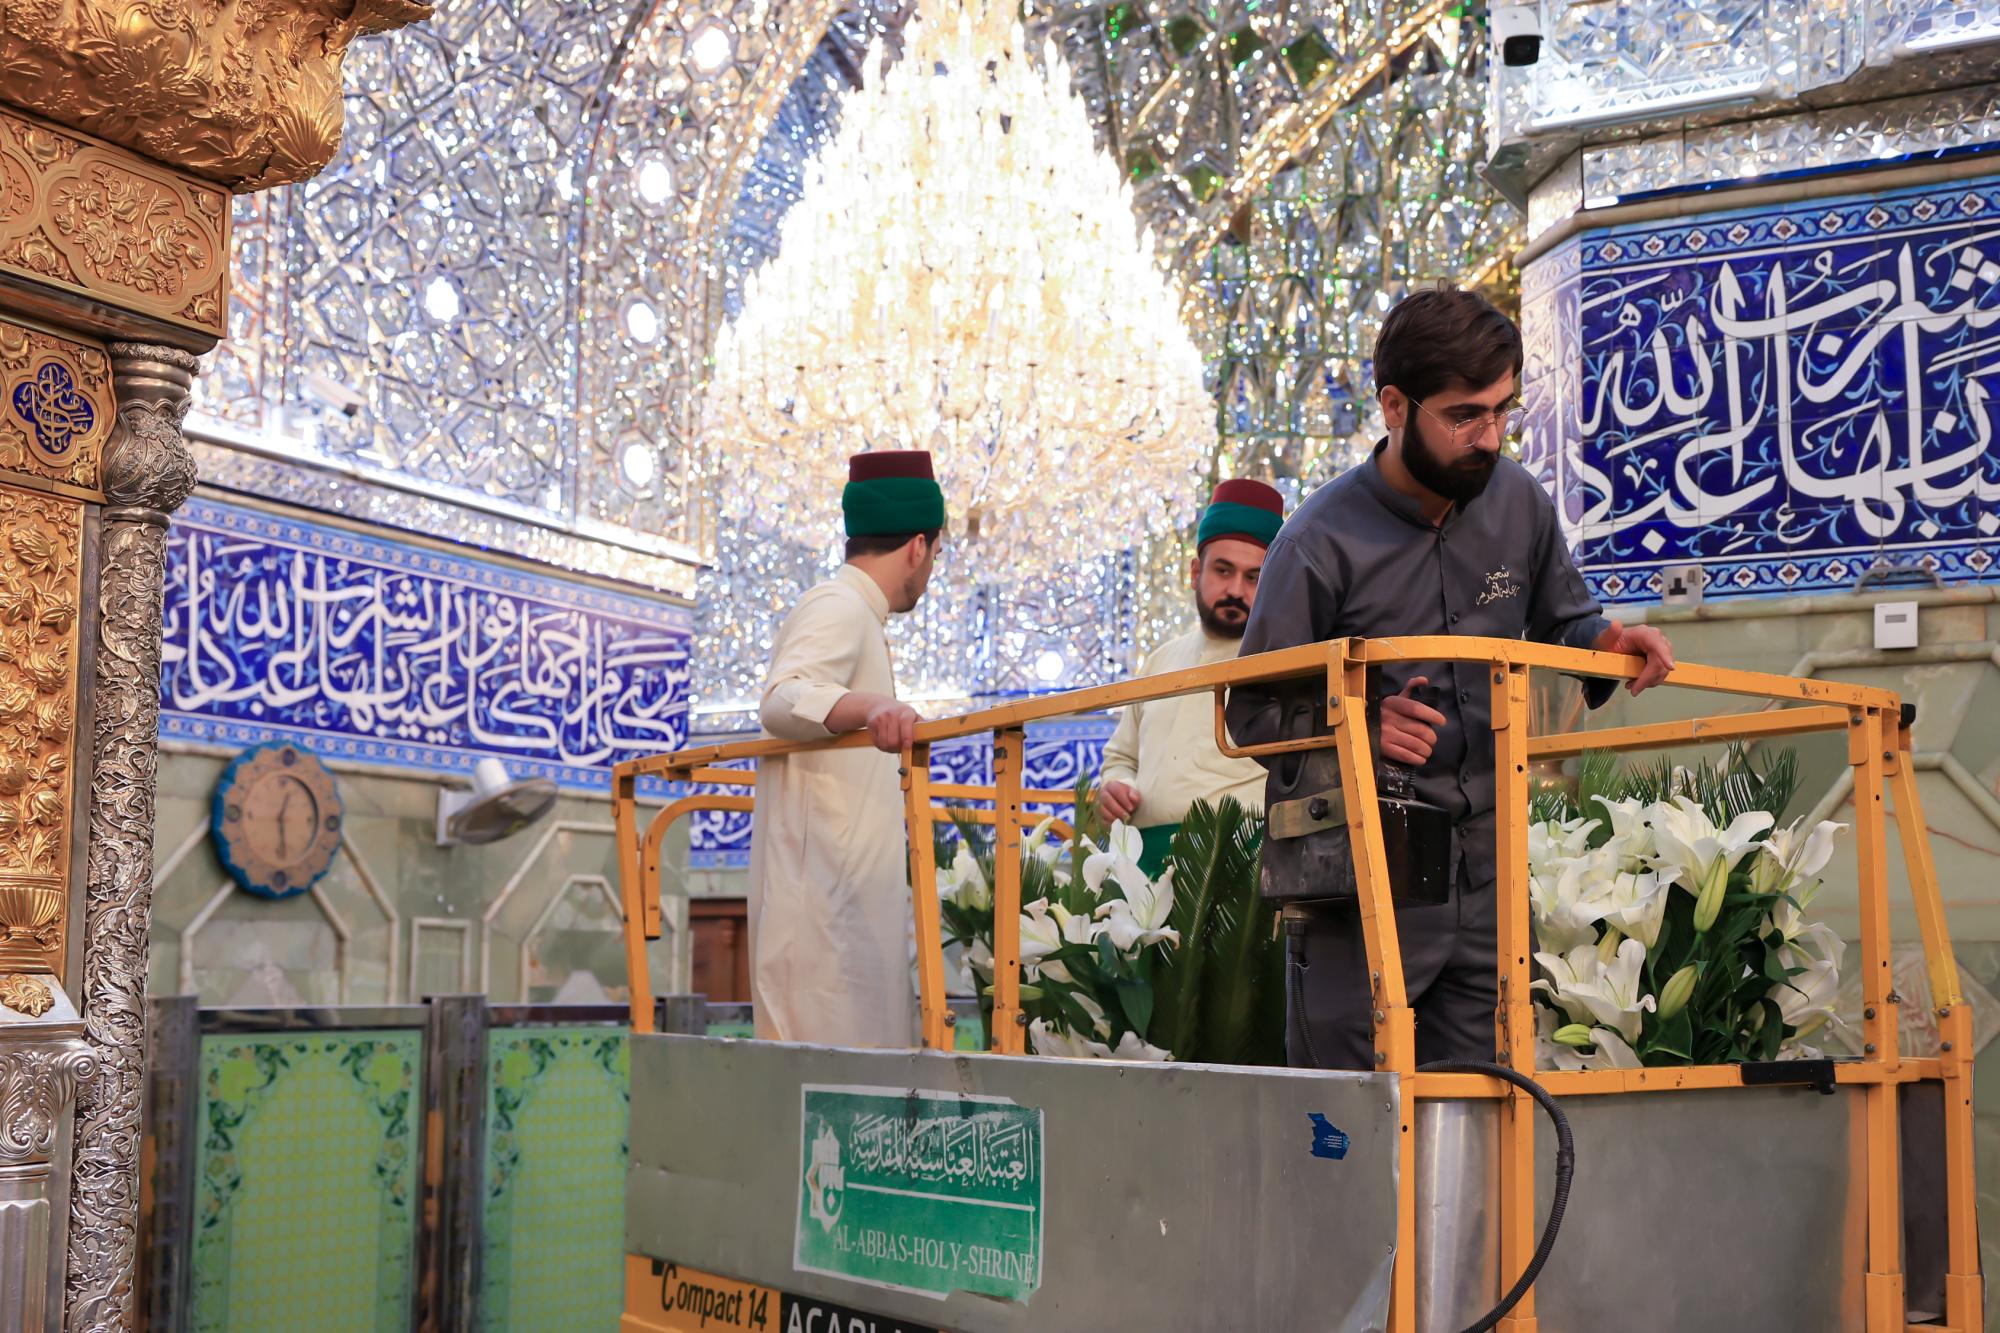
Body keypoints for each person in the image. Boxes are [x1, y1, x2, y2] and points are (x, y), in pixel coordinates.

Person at [1224, 286, 1675, 1070]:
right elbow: (1249, 710)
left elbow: (1561, 617)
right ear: (1394, 406)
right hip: (1363, 890)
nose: (1489, 435)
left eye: (1504, 411)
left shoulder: (1519, 505)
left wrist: (1608, 637)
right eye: (1465, 415)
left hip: (1488, 882)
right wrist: (1357, 729)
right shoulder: (1316, 541)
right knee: (1353, 1136)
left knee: (1489, 1125)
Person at [747, 450, 943, 1047]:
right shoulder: (839, 604)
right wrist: (871, 707)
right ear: (918, 545)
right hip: (821, 943)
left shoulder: (860, 614)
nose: (931, 568)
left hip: (846, 928)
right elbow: (782, 700)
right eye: (936, 554)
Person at [1097, 479, 1285, 877]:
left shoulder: (1285, 660)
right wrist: (1114, 786)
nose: (1235, 589)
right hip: (1143, 864)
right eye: (1223, 570)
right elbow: (1121, 758)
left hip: (1238, 865)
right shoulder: (1161, 660)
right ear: (1195, 572)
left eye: (1254, 577)